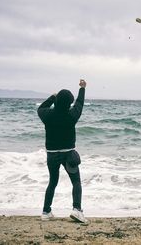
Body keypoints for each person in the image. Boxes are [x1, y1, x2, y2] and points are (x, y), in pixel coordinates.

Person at [37, 79, 87, 223]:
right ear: (69, 104)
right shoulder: (72, 115)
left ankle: (46, 212)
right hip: (68, 154)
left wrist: (53, 96)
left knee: (52, 182)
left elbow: (40, 108)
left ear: (57, 101)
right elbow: (80, 103)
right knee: (76, 181)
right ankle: (77, 210)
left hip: (52, 155)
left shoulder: (47, 115)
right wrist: (82, 88)